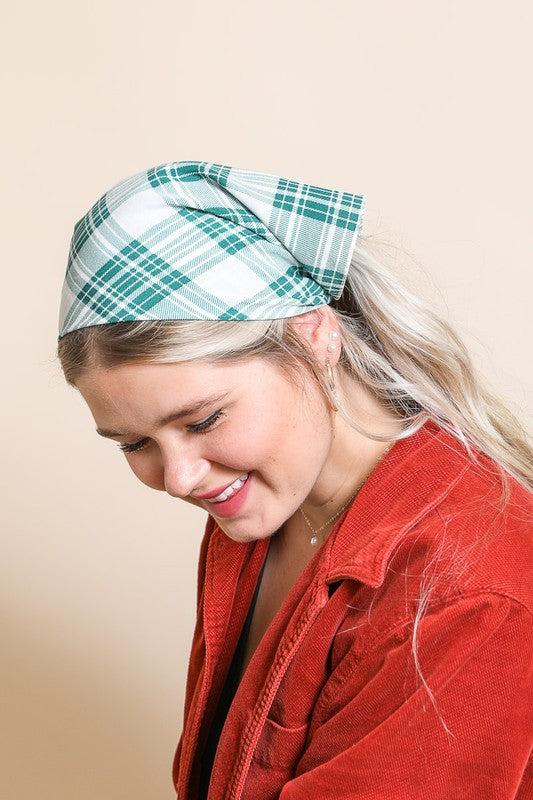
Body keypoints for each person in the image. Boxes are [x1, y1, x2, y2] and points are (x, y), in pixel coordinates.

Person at [57, 161, 532, 799]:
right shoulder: (262, 507)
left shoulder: (467, 592)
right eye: (134, 443)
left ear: (314, 337)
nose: (179, 478)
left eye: (204, 420)